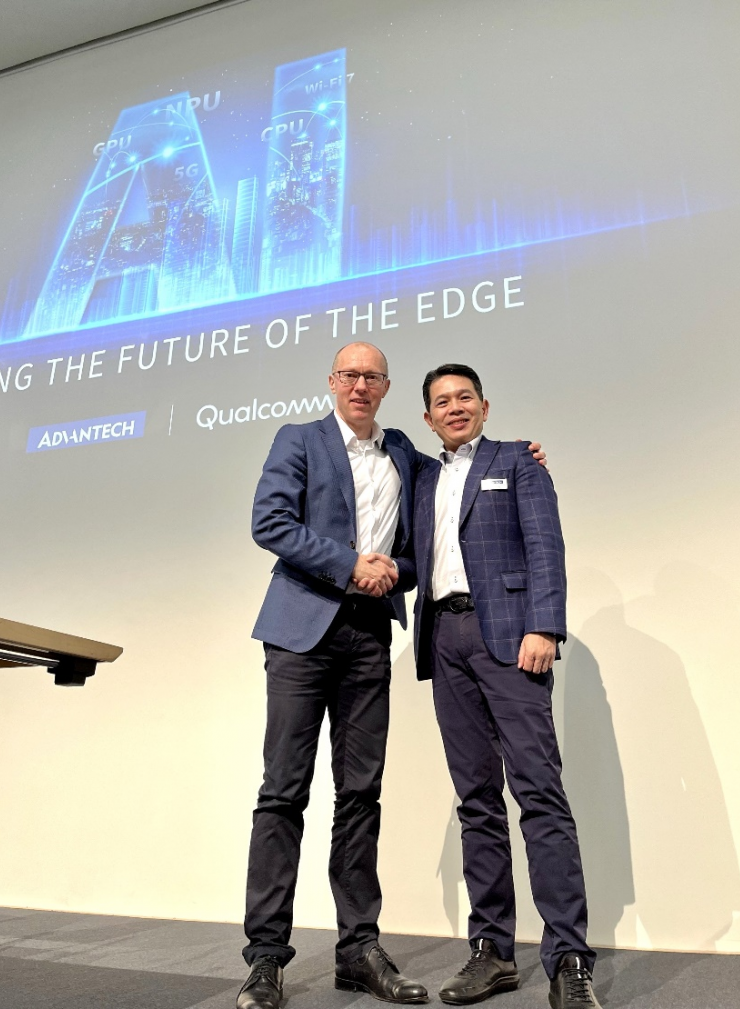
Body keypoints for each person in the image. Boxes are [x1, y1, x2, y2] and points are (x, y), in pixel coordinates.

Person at [237, 343, 546, 1009]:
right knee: (283, 792)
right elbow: (270, 522)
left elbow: (432, 523)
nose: (360, 384)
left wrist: (521, 457)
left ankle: (358, 949)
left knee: (360, 795)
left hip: (368, 638)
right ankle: (265, 957)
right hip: (299, 635)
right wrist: (349, 563)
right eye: (349, 374)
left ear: (385, 387)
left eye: (372, 376)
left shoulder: (405, 450)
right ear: (333, 381)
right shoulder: (298, 439)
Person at [412, 363, 601, 1009]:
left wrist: (544, 625)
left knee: (539, 794)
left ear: (485, 406)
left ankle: (569, 957)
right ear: (428, 417)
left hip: (513, 638)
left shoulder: (519, 460)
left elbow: (546, 545)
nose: (455, 407)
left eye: (465, 396)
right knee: (476, 801)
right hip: (445, 640)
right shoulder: (423, 477)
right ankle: (492, 951)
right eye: (442, 401)